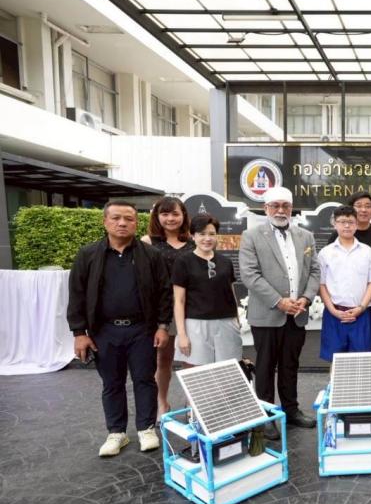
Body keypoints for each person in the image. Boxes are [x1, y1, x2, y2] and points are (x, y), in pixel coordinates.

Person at [67, 201, 173, 457]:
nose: (122, 223)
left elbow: (164, 293)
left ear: (136, 223)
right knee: (112, 382)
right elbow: (77, 294)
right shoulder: (88, 255)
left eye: (129, 218)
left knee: (145, 379)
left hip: (142, 330)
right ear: (105, 221)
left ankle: (146, 428)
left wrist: (162, 326)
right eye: (116, 218)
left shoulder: (151, 255)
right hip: (104, 331)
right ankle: (116, 432)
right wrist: (79, 333)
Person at [239, 186, 320, 431]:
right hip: (267, 315)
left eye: (285, 206)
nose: (281, 210)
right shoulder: (252, 236)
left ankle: (291, 410)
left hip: (297, 314)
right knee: (265, 367)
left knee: (290, 365)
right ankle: (265, 416)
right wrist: (279, 301)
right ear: (266, 208)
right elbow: (250, 275)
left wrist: (306, 298)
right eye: (275, 206)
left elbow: (314, 271)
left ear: (291, 208)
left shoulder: (306, 236)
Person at [141, 196, 194, 419]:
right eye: (165, 214)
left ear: (183, 216)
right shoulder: (147, 242)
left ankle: (193, 404)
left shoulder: (194, 241)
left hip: (192, 309)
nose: (170, 218)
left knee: (192, 360)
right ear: (157, 216)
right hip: (161, 310)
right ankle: (162, 402)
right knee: (163, 360)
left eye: (175, 214)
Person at [172, 213, 242, 368]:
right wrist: (182, 334)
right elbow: (179, 301)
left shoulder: (226, 262)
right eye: (202, 234)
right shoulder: (183, 262)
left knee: (228, 371)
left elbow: (231, 293)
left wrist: (237, 321)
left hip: (226, 323)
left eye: (212, 234)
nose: (207, 238)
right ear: (193, 236)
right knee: (197, 373)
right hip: (196, 324)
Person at [318, 205, 371, 361]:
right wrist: (333, 310)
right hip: (334, 314)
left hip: (361, 314)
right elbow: (322, 285)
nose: (346, 226)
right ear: (335, 224)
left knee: (360, 361)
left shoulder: (367, 251)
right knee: (335, 359)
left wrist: (361, 307)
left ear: (356, 224)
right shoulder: (326, 253)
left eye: (350, 222)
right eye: (342, 222)